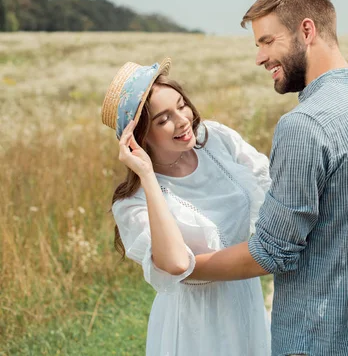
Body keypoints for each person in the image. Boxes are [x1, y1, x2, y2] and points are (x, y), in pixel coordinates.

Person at [189, 0, 348, 356]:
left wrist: (185, 268)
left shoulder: (305, 125)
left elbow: (273, 252)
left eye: (267, 41)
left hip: (315, 339)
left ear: (306, 30)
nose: (260, 58)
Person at [101, 58, 271, 355]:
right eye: (163, 119)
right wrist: (148, 177)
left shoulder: (215, 139)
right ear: (139, 136)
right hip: (197, 325)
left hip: (247, 301)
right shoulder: (133, 204)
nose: (182, 120)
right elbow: (178, 264)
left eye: (181, 105)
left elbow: (270, 185)